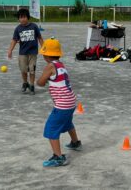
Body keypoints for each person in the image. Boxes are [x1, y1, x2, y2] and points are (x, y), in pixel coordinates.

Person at [37, 38, 82, 167]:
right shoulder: (60, 64)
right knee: (67, 122)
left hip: (62, 104)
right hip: (70, 101)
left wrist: (40, 78)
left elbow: (40, 83)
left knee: (51, 128)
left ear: (46, 54)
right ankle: (75, 142)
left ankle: (58, 157)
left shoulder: (50, 66)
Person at [7, 8, 44, 95]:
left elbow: (40, 38)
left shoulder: (34, 26)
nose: (22, 19)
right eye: (20, 17)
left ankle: (31, 85)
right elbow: (14, 40)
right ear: (18, 19)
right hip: (22, 53)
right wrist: (10, 50)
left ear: (28, 17)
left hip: (33, 53)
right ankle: (25, 82)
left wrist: (44, 48)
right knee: (23, 70)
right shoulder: (18, 29)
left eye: (24, 17)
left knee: (32, 70)